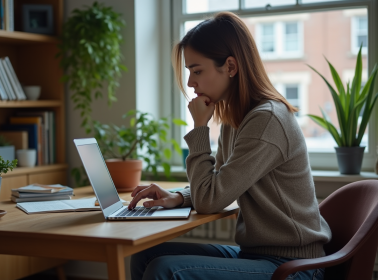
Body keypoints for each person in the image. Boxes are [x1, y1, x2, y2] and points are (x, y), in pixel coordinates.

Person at [128, 11, 331, 280]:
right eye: (190, 72)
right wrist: (178, 197)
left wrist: (200, 128)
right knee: (146, 255)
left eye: (197, 71)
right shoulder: (235, 119)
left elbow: (211, 200)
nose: (190, 83)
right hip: (257, 255)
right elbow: (220, 185)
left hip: (295, 265)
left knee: (165, 270)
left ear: (231, 67)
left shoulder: (267, 119)